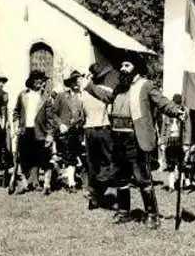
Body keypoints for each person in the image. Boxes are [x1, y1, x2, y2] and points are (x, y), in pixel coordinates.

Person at [81, 52, 186, 229]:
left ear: (135, 68)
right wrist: (89, 86)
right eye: (122, 66)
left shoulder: (146, 85)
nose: (123, 68)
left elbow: (162, 102)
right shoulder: (119, 87)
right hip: (117, 137)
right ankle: (124, 212)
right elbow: (106, 97)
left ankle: (152, 214)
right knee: (120, 177)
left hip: (135, 138)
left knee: (142, 177)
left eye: (127, 66)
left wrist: (177, 110)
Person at [13, 70, 55, 194]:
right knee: (25, 156)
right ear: (31, 81)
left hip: (40, 131)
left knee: (38, 157)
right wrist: (16, 125)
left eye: (41, 80)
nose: (40, 82)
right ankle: (24, 183)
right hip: (25, 130)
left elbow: (50, 118)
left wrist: (50, 134)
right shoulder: (22, 95)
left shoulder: (46, 97)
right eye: (37, 79)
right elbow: (16, 112)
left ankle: (36, 182)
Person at [80, 63, 115, 209]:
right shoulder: (107, 91)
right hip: (103, 128)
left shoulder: (84, 92)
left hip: (89, 129)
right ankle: (97, 190)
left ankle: (93, 191)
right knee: (108, 162)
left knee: (92, 163)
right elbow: (111, 112)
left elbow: (82, 113)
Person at [53, 70, 86, 194]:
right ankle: (71, 182)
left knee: (79, 156)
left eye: (78, 80)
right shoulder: (61, 96)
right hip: (65, 131)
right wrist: (60, 124)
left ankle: (75, 179)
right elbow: (53, 113)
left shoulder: (84, 96)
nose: (77, 84)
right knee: (69, 156)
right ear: (70, 83)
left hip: (80, 131)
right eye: (74, 81)